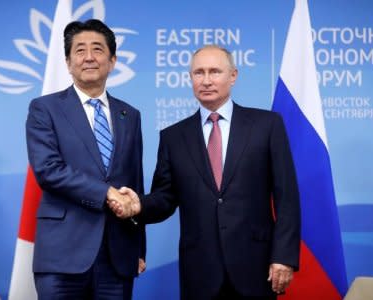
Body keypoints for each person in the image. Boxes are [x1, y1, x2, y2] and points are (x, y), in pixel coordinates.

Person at [108, 45, 300, 300]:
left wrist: (283, 256)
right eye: (199, 73)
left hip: (256, 266)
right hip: (200, 271)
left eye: (215, 72)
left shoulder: (267, 125)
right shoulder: (174, 137)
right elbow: (165, 198)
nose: (206, 80)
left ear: (233, 76)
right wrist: (138, 205)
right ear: (190, 79)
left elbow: (287, 198)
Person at [26, 19, 145, 299]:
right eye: (79, 50)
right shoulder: (45, 109)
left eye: (97, 49)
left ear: (112, 60)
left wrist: (138, 249)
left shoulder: (130, 115)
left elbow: (134, 182)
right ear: (68, 62)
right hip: (62, 255)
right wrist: (105, 192)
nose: (89, 57)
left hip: (118, 256)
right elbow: (48, 170)